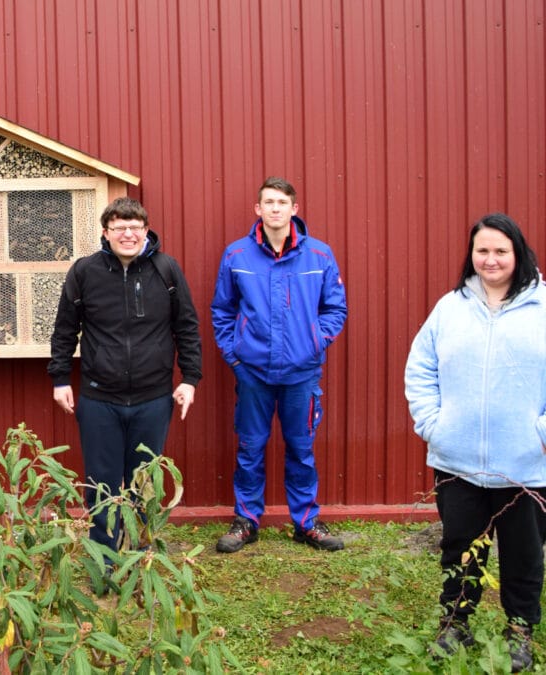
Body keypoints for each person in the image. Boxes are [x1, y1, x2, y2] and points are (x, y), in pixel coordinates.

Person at [404, 213, 545, 671]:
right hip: (458, 459)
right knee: (461, 545)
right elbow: (421, 368)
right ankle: (455, 621)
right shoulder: (450, 308)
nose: (490, 259)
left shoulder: (542, 308)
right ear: (472, 255)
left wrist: (540, 434)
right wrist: (433, 423)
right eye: (482, 250)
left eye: (501, 251)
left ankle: (520, 628)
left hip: (525, 464)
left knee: (524, 553)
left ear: (518, 253)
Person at [48, 197, 202, 554]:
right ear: (106, 233)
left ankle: (142, 552)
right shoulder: (85, 272)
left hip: (153, 398)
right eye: (120, 227)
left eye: (135, 227)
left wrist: (190, 379)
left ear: (146, 231)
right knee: (101, 483)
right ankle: (103, 554)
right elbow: (64, 330)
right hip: (100, 399)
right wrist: (59, 379)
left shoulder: (166, 270)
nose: (128, 234)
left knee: (145, 481)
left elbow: (187, 327)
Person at [210, 177, 347, 553]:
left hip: (301, 374)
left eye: (282, 202)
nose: (275, 208)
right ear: (258, 209)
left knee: (301, 449)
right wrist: (234, 355)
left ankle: (306, 523)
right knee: (250, 448)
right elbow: (222, 310)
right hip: (252, 371)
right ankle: (246, 521)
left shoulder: (319, 256)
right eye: (268, 202)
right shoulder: (237, 255)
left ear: (294, 209)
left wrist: (315, 341)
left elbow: (335, 308)